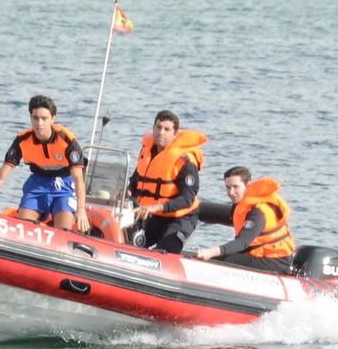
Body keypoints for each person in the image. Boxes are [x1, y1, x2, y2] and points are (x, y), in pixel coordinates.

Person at [0, 94, 90, 232]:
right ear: (30, 118)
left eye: (44, 118)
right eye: (35, 118)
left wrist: (81, 209)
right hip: (37, 184)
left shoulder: (67, 141)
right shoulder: (22, 140)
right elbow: (0, 177)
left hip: (64, 185)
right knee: (23, 228)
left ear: (53, 119)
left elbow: (78, 179)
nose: (39, 124)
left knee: (63, 231)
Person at [126, 109, 206, 254]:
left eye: (167, 129)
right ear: (153, 128)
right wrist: (128, 191)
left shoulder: (185, 161)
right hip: (151, 215)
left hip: (179, 218)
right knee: (124, 241)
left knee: (164, 250)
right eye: (158, 127)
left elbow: (187, 198)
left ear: (175, 134)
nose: (161, 132)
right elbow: (136, 179)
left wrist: (155, 207)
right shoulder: (147, 152)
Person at [190, 166, 297, 272]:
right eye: (228, 187)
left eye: (236, 187)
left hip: (275, 261)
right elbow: (220, 215)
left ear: (248, 184)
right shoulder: (242, 204)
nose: (231, 192)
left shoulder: (258, 212)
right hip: (257, 253)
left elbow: (242, 242)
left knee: (215, 259)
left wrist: (210, 252)